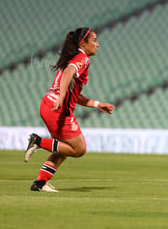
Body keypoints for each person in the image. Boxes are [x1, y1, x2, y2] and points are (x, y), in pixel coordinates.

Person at [24, 27, 115, 192]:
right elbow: (68, 73)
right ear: (83, 43)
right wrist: (61, 97)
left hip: (48, 106)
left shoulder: (73, 58)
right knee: (79, 149)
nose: (97, 44)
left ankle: (39, 183)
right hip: (57, 110)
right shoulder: (83, 59)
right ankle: (37, 141)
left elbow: (76, 95)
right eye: (94, 40)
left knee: (63, 149)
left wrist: (97, 104)